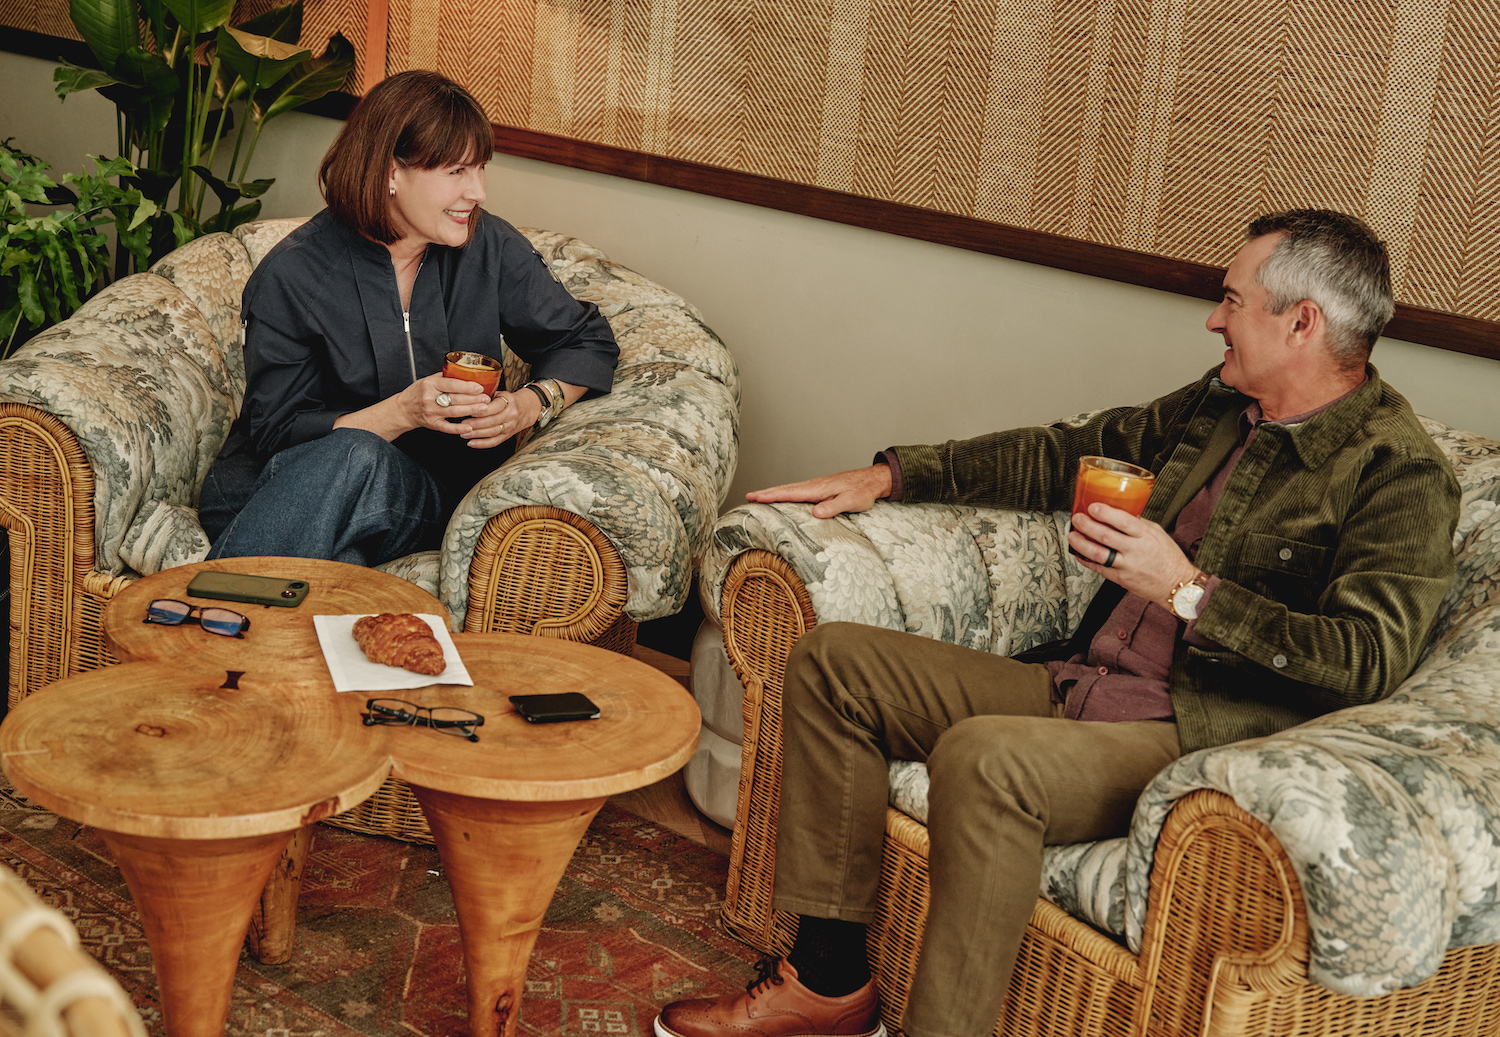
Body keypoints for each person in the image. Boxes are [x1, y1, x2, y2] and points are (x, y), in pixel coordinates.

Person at [653, 210, 1460, 1037]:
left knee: (985, 758)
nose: (1213, 318)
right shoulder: (1222, 405)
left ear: (1302, 322)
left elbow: (1366, 658)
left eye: (1232, 299)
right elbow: (1069, 450)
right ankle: (828, 987)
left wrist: (1185, 589)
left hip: (1195, 731)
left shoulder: (1399, 475)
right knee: (834, 665)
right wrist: (889, 476)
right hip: (1084, 681)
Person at [199, 70, 618, 565]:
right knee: (353, 491)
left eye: (481, 168)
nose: (478, 192)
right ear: (390, 172)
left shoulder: (489, 249)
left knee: (361, 462)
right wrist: (403, 413)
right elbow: (275, 435)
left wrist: (530, 404)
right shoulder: (294, 275)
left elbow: (587, 341)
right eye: (456, 172)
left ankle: (216, 607)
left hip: (423, 499)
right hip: (274, 494)